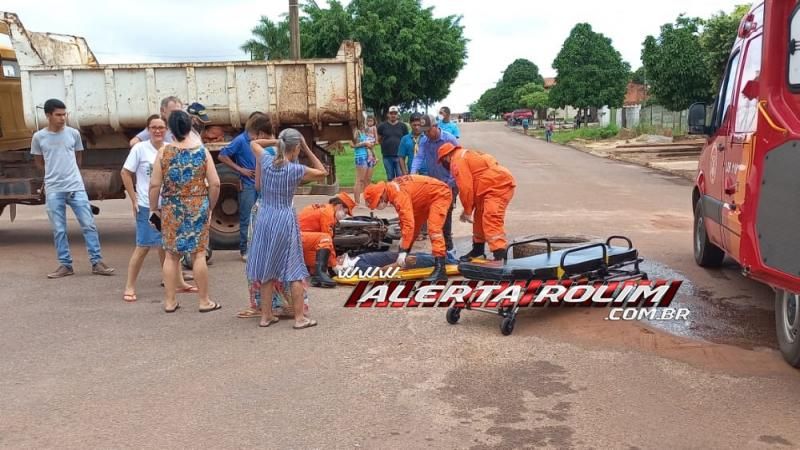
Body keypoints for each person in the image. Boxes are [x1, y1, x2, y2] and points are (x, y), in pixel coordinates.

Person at [246, 128, 329, 329]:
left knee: (267, 267)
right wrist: (308, 150)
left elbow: (253, 144)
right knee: (294, 268)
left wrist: (276, 141)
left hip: (265, 216)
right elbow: (323, 173)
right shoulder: (295, 170)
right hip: (284, 217)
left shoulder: (266, 161)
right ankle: (299, 318)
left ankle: (266, 316)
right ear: (297, 148)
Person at [31, 98, 115, 278]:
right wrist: (54, 174)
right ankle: (65, 264)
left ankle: (97, 262)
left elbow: (78, 158)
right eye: (58, 115)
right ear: (48, 115)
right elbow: (39, 162)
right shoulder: (39, 137)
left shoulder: (73, 134)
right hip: (54, 189)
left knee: (88, 224)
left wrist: (70, 173)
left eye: (64, 114)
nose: (62, 118)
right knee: (59, 229)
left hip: (75, 186)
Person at [149, 111, 221, 313]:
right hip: (197, 205)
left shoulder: (164, 152)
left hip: (172, 206)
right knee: (198, 254)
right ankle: (204, 300)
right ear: (190, 127)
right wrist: (209, 206)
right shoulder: (201, 152)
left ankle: (170, 301)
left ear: (170, 129)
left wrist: (154, 207)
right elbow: (215, 183)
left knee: (172, 255)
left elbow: (155, 185)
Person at [121, 115, 196, 301]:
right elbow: (125, 173)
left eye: (161, 127)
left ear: (167, 130)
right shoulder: (140, 149)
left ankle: (178, 283)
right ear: (148, 130)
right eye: (153, 127)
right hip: (148, 206)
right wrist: (134, 198)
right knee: (143, 246)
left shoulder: (170, 148)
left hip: (169, 205)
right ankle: (129, 286)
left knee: (171, 248)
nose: (157, 131)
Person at [363, 175, 452, 281]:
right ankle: (406, 256)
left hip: (439, 194)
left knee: (434, 230)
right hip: (423, 199)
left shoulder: (398, 195)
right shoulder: (393, 191)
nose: (378, 206)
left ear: (381, 196)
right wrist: (403, 249)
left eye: (377, 203)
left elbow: (408, 224)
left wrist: (403, 250)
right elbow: (405, 222)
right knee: (413, 230)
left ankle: (441, 270)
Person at [437, 143, 516, 261]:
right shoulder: (465, 155)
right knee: (479, 218)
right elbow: (472, 184)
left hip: (496, 186)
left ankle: (500, 256)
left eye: (443, 161)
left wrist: (468, 210)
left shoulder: (457, 160)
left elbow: (465, 187)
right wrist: (468, 209)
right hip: (488, 187)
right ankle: (478, 250)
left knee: (491, 219)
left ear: (446, 157)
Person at [218, 112, 275, 260]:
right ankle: (245, 250)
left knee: (262, 217)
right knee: (247, 218)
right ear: (259, 131)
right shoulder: (240, 140)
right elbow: (222, 155)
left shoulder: (258, 140)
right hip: (248, 184)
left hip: (261, 184)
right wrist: (240, 169)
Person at [411, 114, 459, 259]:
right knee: (435, 215)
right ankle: (441, 247)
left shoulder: (449, 139)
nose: (426, 134)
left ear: (435, 126)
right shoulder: (425, 140)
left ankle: (449, 247)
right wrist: (412, 173)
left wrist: (449, 184)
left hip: (450, 181)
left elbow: (457, 163)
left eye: (428, 131)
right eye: (424, 132)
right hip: (434, 183)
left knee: (446, 213)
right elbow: (419, 157)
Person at [299, 192, 356, 288]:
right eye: (345, 212)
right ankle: (319, 276)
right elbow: (327, 240)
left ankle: (317, 274)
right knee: (325, 239)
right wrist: (335, 265)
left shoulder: (325, 208)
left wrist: (331, 265)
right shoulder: (328, 213)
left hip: (299, 241)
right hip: (298, 239)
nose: (344, 216)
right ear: (339, 206)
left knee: (320, 260)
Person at [398, 113, 428, 240]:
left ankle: (425, 230)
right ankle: (417, 231)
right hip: (412, 174)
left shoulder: (426, 137)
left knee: (426, 203)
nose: (416, 127)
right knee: (415, 203)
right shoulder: (405, 139)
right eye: (414, 125)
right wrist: (405, 173)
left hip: (426, 173)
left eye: (419, 125)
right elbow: (401, 157)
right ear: (410, 124)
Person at [377, 106, 408, 181]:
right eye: (391, 113)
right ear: (388, 114)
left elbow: (406, 140)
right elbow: (379, 139)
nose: (393, 115)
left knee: (400, 177)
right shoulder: (382, 126)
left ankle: (399, 193)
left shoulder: (403, 126)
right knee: (390, 177)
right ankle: (391, 192)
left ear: (397, 115)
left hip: (399, 156)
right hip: (387, 156)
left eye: (395, 113)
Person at [351, 121, 377, 205]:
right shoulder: (354, 131)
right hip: (361, 156)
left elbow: (372, 143)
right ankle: (357, 202)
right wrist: (364, 143)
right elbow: (352, 145)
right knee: (360, 180)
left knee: (368, 180)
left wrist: (374, 155)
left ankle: (367, 201)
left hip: (369, 156)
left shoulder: (366, 131)